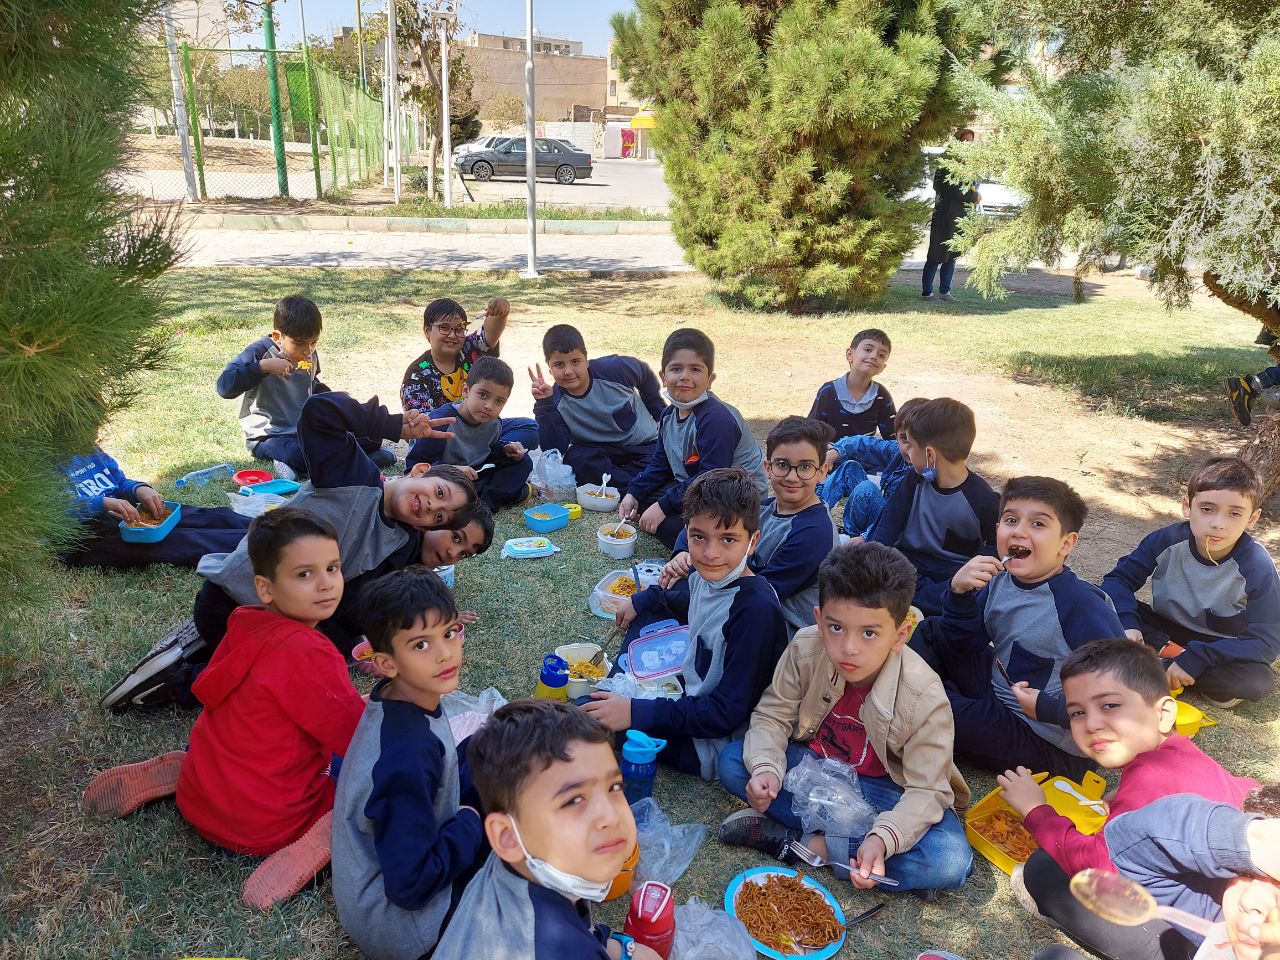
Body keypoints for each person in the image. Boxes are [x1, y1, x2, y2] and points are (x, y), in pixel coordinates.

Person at [99, 391, 471, 714]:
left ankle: (200, 661)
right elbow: (319, 412)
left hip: (285, 629)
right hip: (235, 604)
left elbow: (356, 604)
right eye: (438, 493)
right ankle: (180, 678)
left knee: (300, 682)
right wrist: (389, 425)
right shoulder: (352, 475)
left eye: (439, 517)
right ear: (420, 471)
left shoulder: (400, 542)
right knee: (268, 687)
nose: (431, 507)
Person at [83, 509, 367, 910]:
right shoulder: (312, 654)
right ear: (265, 588)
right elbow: (356, 739)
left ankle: (195, 775)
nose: (326, 584)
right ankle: (325, 834)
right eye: (305, 574)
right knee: (370, 784)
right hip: (267, 826)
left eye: (333, 568)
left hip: (204, 798)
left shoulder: (244, 623)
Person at [716, 541, 973, 896]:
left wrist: (883, 839)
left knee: (950, 860)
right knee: (733, 762)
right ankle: (854, 854)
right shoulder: (805, 648)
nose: (849, 648)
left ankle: (807, 844)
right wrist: (766, 769)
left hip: (881, 792)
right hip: (814, 772)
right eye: (836, 627)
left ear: (900, 634)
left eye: (869, 633)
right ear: (819, 620)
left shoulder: (924, 695)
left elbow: (927, 790)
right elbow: (772, 717)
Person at [999, 639, 1258, 960]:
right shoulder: (1186, 758)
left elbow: (1098, 865)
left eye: (1110, 705)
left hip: (1211, 941)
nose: (1091, 724)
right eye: (1077, 712)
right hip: (1231, 916)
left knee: (1043, 871)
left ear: (1164, 713)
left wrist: (1035, 810)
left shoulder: (1148, 783)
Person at [910, 476, 1125, 780]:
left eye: (1038, 524)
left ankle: (922, 697)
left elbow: (1122, 695)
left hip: (1044, 736)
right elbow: (966, 643)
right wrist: (958, 594)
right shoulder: (1000, 579)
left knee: (935, 710)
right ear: (997, 529)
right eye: (1011, 520)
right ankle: (925, 694)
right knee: (931, 630)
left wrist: (1047, 708)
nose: (1020, 531)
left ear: (1066, 543)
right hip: (999, 687)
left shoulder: (1082, 607)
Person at [585, 468, 788, 780]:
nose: (710, 553)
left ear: (752, 542)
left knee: (590, 719)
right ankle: (619, 693)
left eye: (728, 539)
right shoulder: (706, 577)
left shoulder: (755, 612)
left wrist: (635, 712)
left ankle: (620, 702)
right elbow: (687, 602)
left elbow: (725, 714)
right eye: (698, 537)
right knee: (648, 611)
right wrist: (642, 599)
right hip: (689, 696)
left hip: (709, 739)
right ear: (686, 532)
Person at [332, 567, 488, 960]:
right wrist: (470, 822)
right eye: (421, 644)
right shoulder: (409, 756)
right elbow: (410, 886)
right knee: (516, 846)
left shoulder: (402, 697)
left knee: (493, 752)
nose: (444, 653)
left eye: (449, 633)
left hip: (390, 881)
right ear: (386, 663)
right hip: (403, 927)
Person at [431, 700, 662, 960]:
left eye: (614, 787)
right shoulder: (562, 949)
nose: (610, 816)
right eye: (574, 800)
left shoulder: (519, 862)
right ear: (506, 837)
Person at [1101, 456, 1280, 709]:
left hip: (1220, 646)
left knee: (1256, 681)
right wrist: (1128, 624)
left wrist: (1198, 658)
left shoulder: (1257, 565)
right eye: (1207, 509)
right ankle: (1168, 658)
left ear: (1252, 518)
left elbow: (1268, 639)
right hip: (1165, 628)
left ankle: (1155, 663)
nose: (1218, 524)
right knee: (1097, 601)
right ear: (1187, 506)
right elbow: (1118, 581)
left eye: (1234, 513)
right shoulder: (1165, 541)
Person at [661, 416, 839, 637]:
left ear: (822, 472)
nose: (792, 477)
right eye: (782, 465)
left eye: (805, 467)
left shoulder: (815, 533)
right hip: (741, 595)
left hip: (777, 628)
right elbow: (697, 525)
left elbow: (756, 596)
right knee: (684, 580)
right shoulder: (764, 508)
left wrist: (661, 594)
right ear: (768, 467)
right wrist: (682, 553)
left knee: (679, 589)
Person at [216, 294, 394, 480]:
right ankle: (355, 461)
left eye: (313, 342)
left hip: (306, 431)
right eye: (299, 344)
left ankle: (350, 459)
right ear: (278, 336)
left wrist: (338, 409)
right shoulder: (258, 353)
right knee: (300, 454)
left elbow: (313, 386)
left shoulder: (308, 353)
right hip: (270, 438)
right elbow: (224, 387)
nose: (308, 350)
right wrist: (262, 367)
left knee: (369, 438)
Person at [619, 328, 768, 549]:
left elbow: (712, 478)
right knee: (641, 501)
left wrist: (663, 506)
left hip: (735, 499)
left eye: (695, 369)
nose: (684, 376)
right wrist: (635, 492)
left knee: (670, 526)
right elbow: (661, 464)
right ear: (663, 377)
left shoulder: (716, 419)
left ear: (710, 379)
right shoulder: (668, 415)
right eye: (676, 369)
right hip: (699, 488)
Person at [1098, 788, 1280, 960]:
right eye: (1245, 873)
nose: (1248, 900)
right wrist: (1254, 840)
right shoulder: (1219, 919)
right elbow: (1128, 845)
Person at [868, 397, 999, 615]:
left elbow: (994, 547)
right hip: (906, 566)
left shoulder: (982, 499)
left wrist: (972, 572)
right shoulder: (912, 482)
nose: (907, 452)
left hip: (951, 576)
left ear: (929, 454)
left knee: (977, 594)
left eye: (911, 446)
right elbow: (885, 530)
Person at [58, 443, 250, 568]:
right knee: (185, 540)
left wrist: (139, 489)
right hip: (90, 537)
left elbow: (119, 481)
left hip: (126, 512)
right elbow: (56, 515)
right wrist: (101, 503)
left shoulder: (87, 446)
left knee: (205, 516)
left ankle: (263, 527)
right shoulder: (45, 462)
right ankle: (260, 543)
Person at [530, 323, 666, 488]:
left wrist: (659, 414)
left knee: (662, 459)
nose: (568, 371)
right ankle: (637, 485)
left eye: (575, 361)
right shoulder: (554, 401)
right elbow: (555, 448)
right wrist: (544, 404)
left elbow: (643, 372)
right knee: (576, 458)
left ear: (586, 360)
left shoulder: (615, 369)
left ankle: (625, 484)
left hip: (642, 445)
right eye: (559, 364)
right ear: (549, 368)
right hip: (599, 453)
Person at [407, 355, 538, 511]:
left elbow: (488, 452)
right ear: (466, 390)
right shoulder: (442, 422)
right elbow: (414, 467)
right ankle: (504, 494)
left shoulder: (494, 422)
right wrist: (451, 470)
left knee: (523, 462)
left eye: (499, 401)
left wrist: (504, 449)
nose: (489, 406)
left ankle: (485, 503)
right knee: (456, 488)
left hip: (476, 473)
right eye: (483, 395)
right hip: (445, 480)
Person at [820, 396, 925, 539]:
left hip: (891, 531)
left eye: (918, 439)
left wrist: (864, 537)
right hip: (880, 514)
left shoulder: (927, 473)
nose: (910, 447)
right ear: (896, 437)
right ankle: (813, 511)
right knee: (850, 468)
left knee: (866, 490)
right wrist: (835, 452)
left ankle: (851, 536)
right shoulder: (896, 451)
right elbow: (862, 443)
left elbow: (906, 519)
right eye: (904, 438)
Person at [402, 296, 510, 415]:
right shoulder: (416, 376)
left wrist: (502, 307)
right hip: (446, 426)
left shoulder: (470, 348)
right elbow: (422, 422)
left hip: (483, 422)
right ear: (427, 331)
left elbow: (492, 330)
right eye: (444, 328)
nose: (452, 335)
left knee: (524, 424)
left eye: (459, 329)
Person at [807, 328, 896, 442]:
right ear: (850, 354)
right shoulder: (828, 391)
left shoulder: (881, 395)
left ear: (882, 368)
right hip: (829, 453)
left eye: (881, 355)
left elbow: (893, 437)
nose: (874, 356)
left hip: (865, 454)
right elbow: (811, 433)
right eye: (868, 349)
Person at [922, 130, 979, 302]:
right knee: (936, 254)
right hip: (944, 214)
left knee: (953, 254)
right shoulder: (946, 162)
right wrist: (973, 196)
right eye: (964, 140)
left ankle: (945, 292)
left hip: (961, 215)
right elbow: (943, 186)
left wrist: (973, 195)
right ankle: (927, 292)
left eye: (970, 142)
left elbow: (971, 185)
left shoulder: (969, 164)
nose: (967, 144)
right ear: (957, 141)